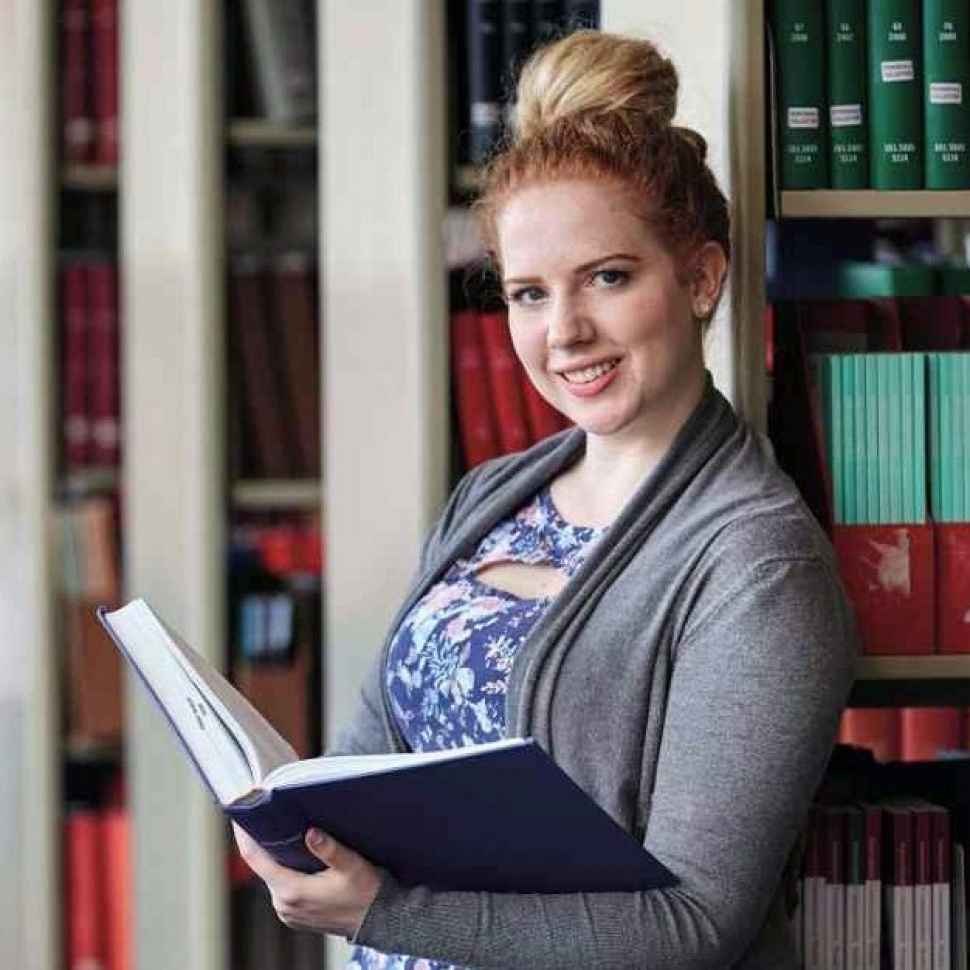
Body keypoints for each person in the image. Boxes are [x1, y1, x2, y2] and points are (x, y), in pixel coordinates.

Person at [234, 29, 858, 969]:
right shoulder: (490, 495)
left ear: (699, 278)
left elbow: (694, 928)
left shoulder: (755, 564)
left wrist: (386, 914)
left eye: (607, 277)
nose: (564, 332)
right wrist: (295, 835)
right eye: (528, 294)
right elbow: (365, 757)